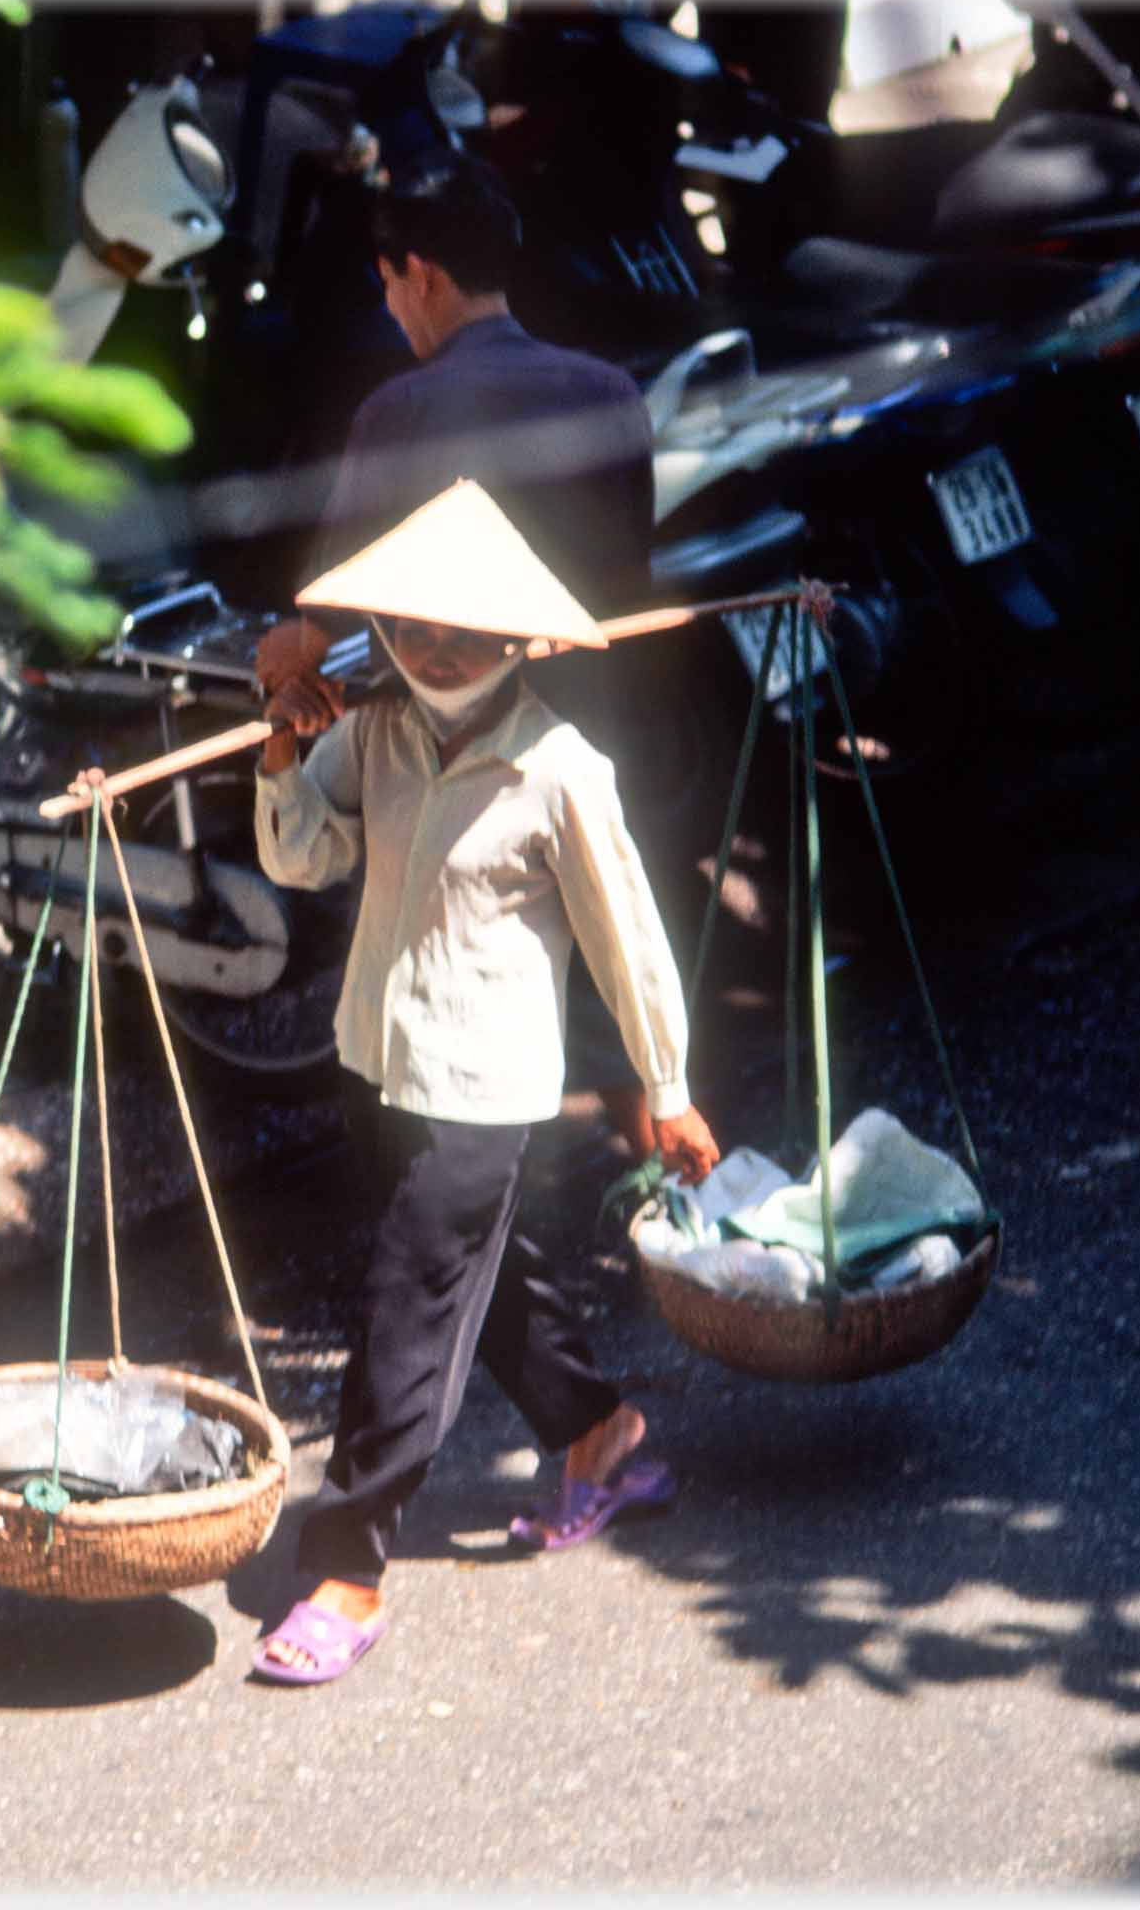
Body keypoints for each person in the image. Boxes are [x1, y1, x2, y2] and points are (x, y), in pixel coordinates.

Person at [244, 479, 721, 1687]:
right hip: (378, 1062)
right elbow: (301, 854)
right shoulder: (381, 732)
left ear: (517, 642)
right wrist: (284, 738)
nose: (435, 651)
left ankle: (344, 1559)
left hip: (482, 1091)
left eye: (464, 634)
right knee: (481, 1280)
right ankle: (596, 1430)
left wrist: (665, 1083)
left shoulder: (560, 770)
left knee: (408, 1312)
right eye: (412, 629)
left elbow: (629, 940)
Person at [264, 148, 673, 1153]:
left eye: (391, 286)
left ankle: (496, 1235)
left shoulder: (399, 414)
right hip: (592, 738)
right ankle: (656, 1152)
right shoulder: (612, 392)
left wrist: (283, 668)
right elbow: (624, 589)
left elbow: (316, 627)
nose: (394, 312)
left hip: (467, 761)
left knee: (473, 1026)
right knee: (612, 968)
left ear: (424, 275)